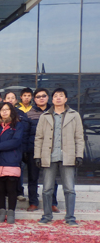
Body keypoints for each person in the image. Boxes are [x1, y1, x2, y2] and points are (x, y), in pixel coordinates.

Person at [35, 88, 84, 227]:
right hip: (49, 156)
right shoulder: (45, 116)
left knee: (69, 189)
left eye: (61, 96)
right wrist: (37, 156)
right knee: (47, 189)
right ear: (52, 99)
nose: (58, 98)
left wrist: (79, 155)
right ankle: (46, 216)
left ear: (66, 99)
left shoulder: (74, 115)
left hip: (68, 156)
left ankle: (70, 217)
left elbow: (79, 137)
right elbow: (39, 138)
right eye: (55, 96)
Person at [25, 88, 58, 212]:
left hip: (51, 150)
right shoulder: (29, 114)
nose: (41, 98)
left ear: (48, 97)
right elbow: (26, 133)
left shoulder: (55, 112)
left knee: (52, 178)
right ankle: (33, 202)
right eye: (38, 97)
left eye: (44, 96)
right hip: (34, 150)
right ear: (34, 99)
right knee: (33, 178)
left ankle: (52, 203)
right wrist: (26, 151)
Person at [0, 102, 25, 224]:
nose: (4, 112)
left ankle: (11, 212)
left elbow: (15, 141)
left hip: (11, 160)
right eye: (2, 110)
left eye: (7, 109)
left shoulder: (17, 125)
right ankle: (2, 212)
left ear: (11, 111)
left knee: (11, 189)